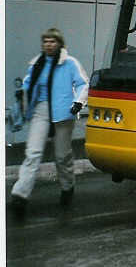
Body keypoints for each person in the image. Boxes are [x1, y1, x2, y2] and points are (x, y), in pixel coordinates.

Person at [9, 28, 88, 219]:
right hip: (41, 111)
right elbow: (28, 83)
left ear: (59, 43)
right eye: (45, 41)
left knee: (62, 156)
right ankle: (20, 195)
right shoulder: (37, 63)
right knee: (33, 153)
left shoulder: (70, 63)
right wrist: (22, 96)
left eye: (52, 41)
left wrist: (78, 102)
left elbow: (83, 83)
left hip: (63, 112)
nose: (48, 44)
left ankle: (67, 187)